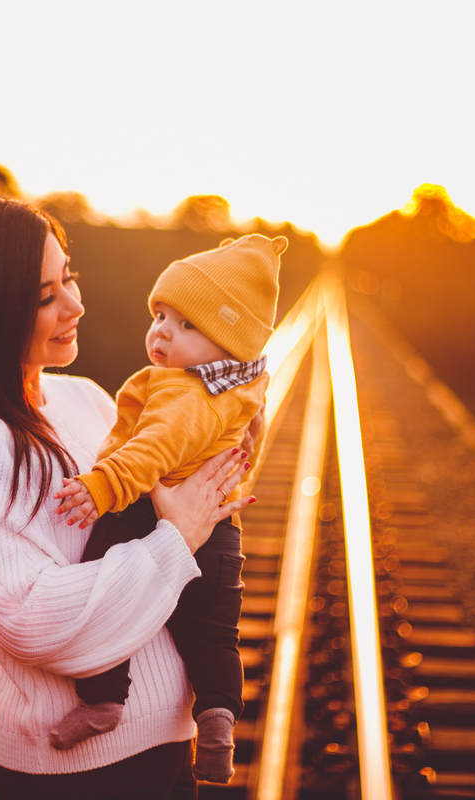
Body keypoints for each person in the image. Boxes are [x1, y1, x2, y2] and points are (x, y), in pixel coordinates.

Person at [0, 196, 256, 800]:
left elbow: (189, 511)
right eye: (46, 296)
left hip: (164, 753)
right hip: (83, 780)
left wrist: (224, 456)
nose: (76, 303)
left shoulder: (87, 399)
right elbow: (30, 618)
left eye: (68, 277)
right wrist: (176, 540)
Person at [49, 235, 285, 784]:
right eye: (160, 315)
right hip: (221, 533)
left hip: (145, 514)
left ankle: (104, 699)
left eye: (186, 326)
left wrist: (103, 486)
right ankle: (219, 720)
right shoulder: (241, 387)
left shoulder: (184, 392)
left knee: (105, 584)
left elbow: (153, 447)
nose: (162, 332)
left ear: (227, 344)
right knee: (214, 633)